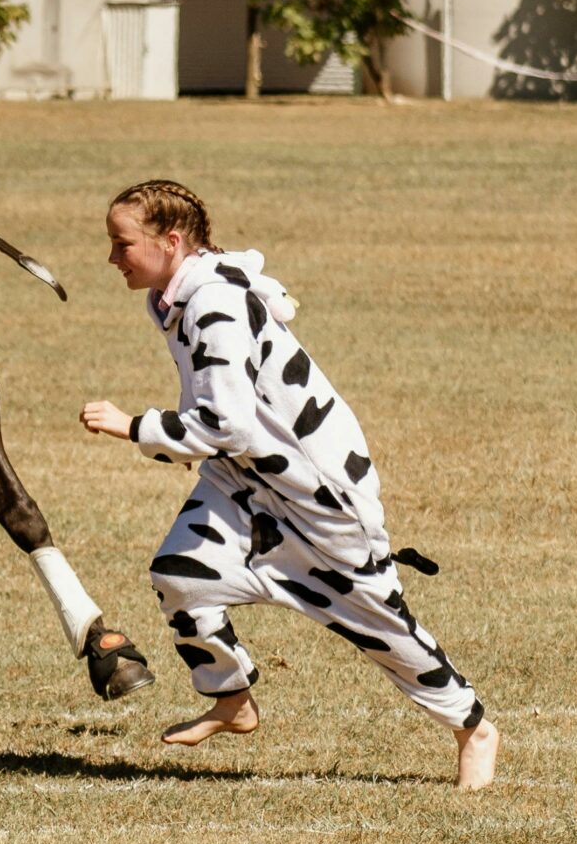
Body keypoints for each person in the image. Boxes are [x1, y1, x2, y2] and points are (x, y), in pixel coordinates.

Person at [77, 179, 500, 790]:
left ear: (170, 242)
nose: (112, 257)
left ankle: (473, 728)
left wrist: (133, 426)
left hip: (317, 489)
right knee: (179, 575)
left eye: (121, 244)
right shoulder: (176, 296)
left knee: (376, 621)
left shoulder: (212, 306)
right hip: (244, 477)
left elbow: (227, 422)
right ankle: (232, 700)